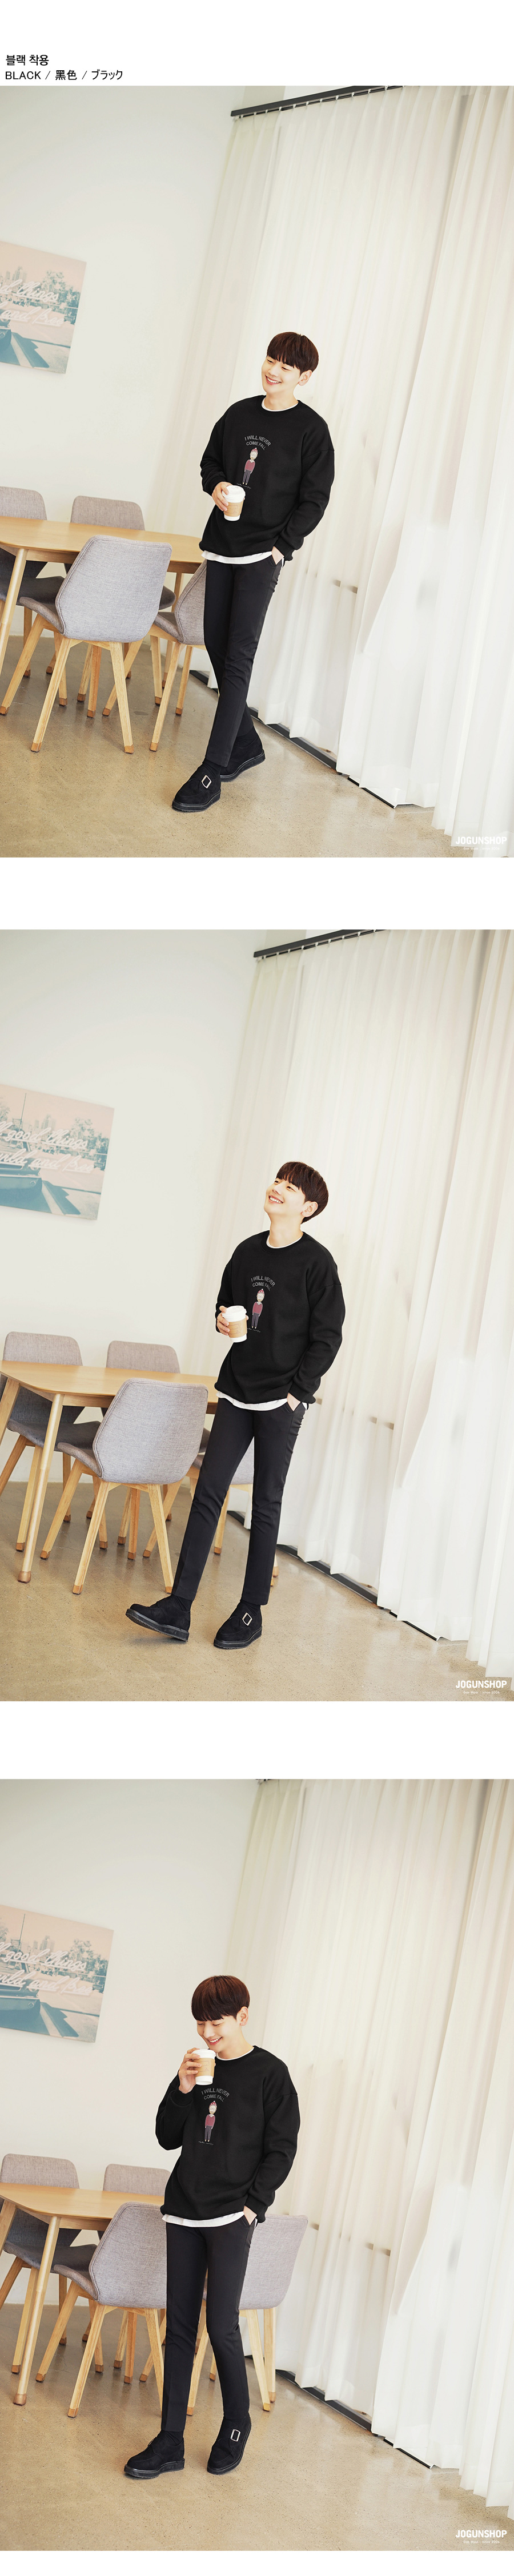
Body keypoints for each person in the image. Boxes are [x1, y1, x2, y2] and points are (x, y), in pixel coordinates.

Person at [127, 1158, 345, 1651]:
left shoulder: (317, 1263)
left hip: (282, 1400)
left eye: (290, 1187)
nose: (278, 1188)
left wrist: (297, 1393)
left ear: (308, 1208)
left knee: (265, 1503)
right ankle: (179, 1605)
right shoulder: (247, 1251)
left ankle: (251, 1611)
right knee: (208, 1492)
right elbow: (224, 1307)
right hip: (236, 1389)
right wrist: (224, 1322)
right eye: (278, 1181)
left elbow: (328, 1336)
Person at [124, 1973, 300, 2482]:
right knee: (179, 2329)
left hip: (229, 2217)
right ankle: (170, 2440)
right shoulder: (197, 2068)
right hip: (183, 2211)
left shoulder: (271, 2074)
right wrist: (182, 2088)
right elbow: (166, 2136)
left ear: (242, 2016)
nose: (207, 2032)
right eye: (200, 2022)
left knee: (221, 2327)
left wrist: (253, 2206)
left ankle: (236, 2424)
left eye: (216, 2022)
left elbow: (282, 2148)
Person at [172, 332, 335, 815]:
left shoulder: (312, 430)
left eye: (285, 367)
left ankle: (212, 769)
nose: (273, 371)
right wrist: (218, 486)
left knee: (239, 655)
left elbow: (315, 499)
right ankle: (245, 742)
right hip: (223, 545)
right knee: (216, 643)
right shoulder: (239, 413)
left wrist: (282, 549)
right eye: (270, 361)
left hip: (264, 555)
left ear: (304, 377)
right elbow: (210, 463)